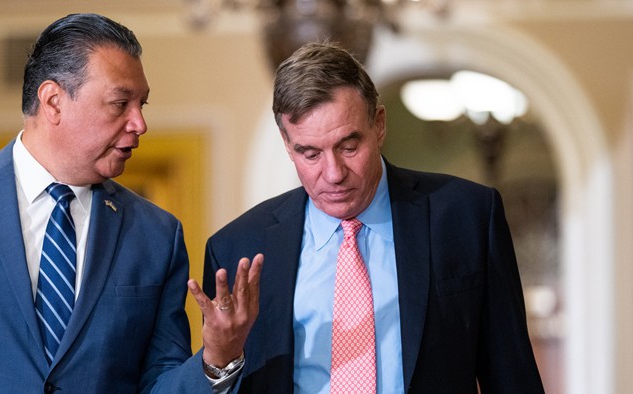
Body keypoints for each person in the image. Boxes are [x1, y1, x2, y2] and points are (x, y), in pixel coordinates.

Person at [0, 13, 262, 393]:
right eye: (121, 103)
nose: (140, 123)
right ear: (53, 101)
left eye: (141, 104)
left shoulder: (156, 234)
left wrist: (217, 359)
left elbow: (159, 382)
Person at [202, 41, 544, 393]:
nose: (334, 174)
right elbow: (219, 381)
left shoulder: (466, 216)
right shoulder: (236, 248)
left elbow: (512, 377)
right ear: (287, 144)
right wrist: (219, 362)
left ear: (379, 125)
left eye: (349, 147)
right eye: (310, 154)